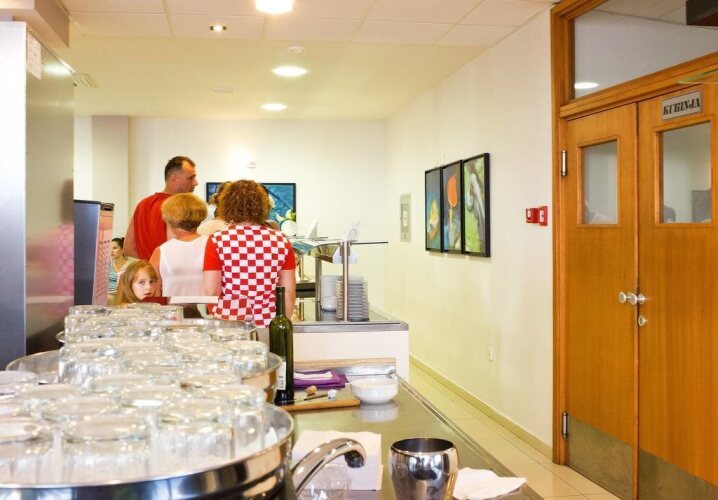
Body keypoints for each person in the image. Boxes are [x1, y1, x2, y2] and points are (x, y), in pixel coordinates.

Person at [201, 180, 296, 327]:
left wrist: (216, 314)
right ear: (263, 205)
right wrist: (283, 323)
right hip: (268, 321)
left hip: (229, 322)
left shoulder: (217, 240)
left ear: (227, 205)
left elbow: (211, 290)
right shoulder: (281, 239)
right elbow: (288, 291)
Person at [124, 156, 198, 260]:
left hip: (148, 269)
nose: (195, 182)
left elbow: (128, 248)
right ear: (174, 179)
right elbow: (182, 252)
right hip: (171, 270)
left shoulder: (143, 204)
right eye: (190, 178)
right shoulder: (182, 207)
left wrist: (150, 265)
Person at [149, 193, 208, 297]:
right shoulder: (213, 244)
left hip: (172, 307)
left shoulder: (161, 251)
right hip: (208, 306)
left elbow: (153, 290)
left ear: (170, 219)